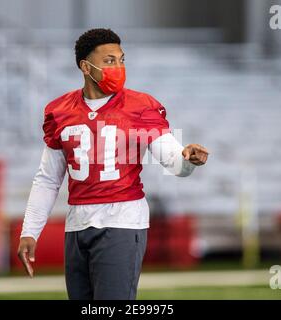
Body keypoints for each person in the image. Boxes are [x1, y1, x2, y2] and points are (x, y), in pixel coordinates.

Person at [17, 28, 209, 300]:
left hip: (122, 221)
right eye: (109, 61)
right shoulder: (59, 111)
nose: (118, 66)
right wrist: (30, 232)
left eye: (121, 59)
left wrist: (188, 159)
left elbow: (174, 162)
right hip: (77, 225)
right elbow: (48, 179)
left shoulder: (140, 106)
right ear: (86, 66)